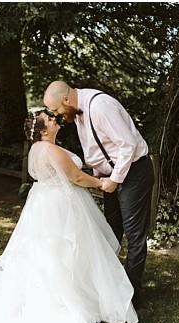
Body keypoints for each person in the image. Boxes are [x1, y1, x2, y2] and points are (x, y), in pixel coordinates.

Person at [0, 111, 138, 323]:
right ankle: (70, 299)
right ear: (44, 130)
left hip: (43, 203)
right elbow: (77, 177)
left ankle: (76, 293)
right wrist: (103, 183)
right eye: (49, 120)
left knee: (50, 251)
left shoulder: (37, 149)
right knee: (65, 250)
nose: (54, 119)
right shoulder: (52, 150)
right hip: (60, 205)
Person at [43, 80, 153, 308]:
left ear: (66, 100)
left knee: (134, 236)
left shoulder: (100, 105)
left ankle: (132, 296)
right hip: (110, 176)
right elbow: (97, 151)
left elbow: (127, 144)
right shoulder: (78, 112)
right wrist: (98, 178)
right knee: (109, 231)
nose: (57, 115)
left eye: (56, 111)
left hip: (133, 173)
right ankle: (110, 287)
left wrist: (114, 179)